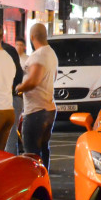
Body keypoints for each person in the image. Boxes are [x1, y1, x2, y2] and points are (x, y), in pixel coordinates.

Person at [14, 22, 60, 167]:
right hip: (48, 107)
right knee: (43, 148)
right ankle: (44, 178)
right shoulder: (51, 53)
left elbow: (33, 81)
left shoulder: (39, 55)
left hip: (36, 110)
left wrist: (18, 88)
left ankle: (35, 182)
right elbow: (55, 76)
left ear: (32, 37)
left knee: (31, 152)